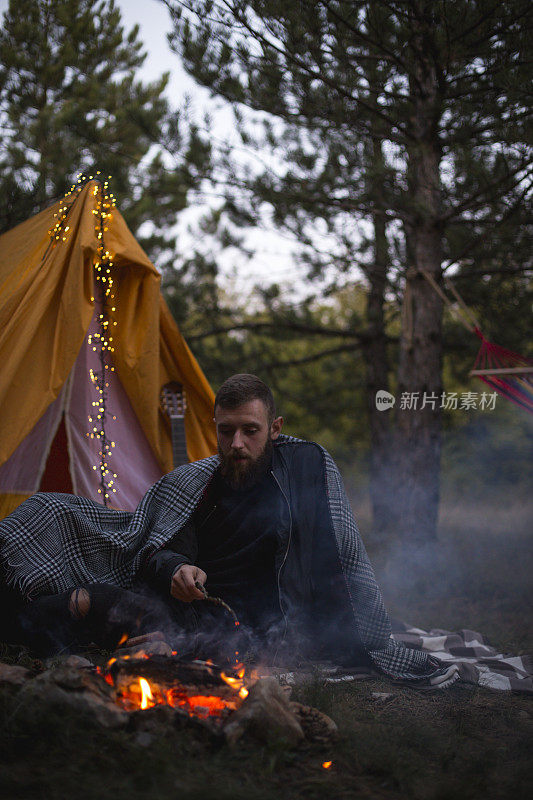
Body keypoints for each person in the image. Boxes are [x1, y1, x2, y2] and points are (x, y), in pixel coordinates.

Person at [0, 374, 453, 685]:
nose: (236, 444)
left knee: (104, 617)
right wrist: (177, 568)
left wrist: (358, 633)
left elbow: (342, 557)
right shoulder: (198, 482)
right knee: (60, 537)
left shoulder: (307, 470)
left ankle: (29, 631)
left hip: (254, 628)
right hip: (184, 612)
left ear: (275, 429)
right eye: (226, 431)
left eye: (250, 431)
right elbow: (158, 549)